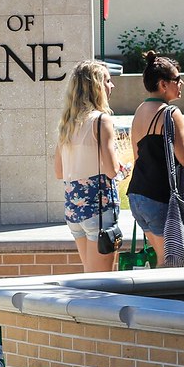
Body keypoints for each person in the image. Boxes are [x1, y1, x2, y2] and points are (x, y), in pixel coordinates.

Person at [127, 51, 184, 265]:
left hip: (137, 195)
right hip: (159, 197)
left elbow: (137, 155)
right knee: (170, 262)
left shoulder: (140, 110)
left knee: (162, 258)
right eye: (177, 80)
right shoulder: (171, 113)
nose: (182, 83)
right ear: (163, 84)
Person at [54, 60, 128, 272]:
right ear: (96, 86)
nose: (111, 86)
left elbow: (59, 171)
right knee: (101, 282)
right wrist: (125, 169)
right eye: (107, 80)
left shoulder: (67, 123)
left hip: (74, 207)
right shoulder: (101, 120)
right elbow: (112, 170)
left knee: (89, 276)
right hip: (99, 206)